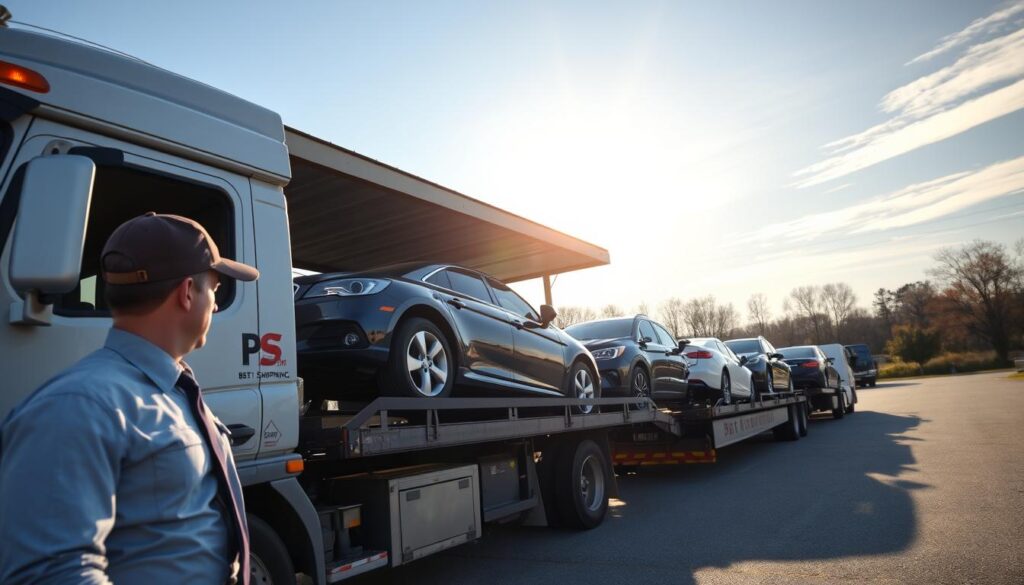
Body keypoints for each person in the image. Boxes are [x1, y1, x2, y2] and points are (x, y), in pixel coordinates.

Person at [0, 212, 259, 584]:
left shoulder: (166, 390)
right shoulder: (77, 406)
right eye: (214, 290)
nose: (215, 305)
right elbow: (53, 573)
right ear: (187, 292)